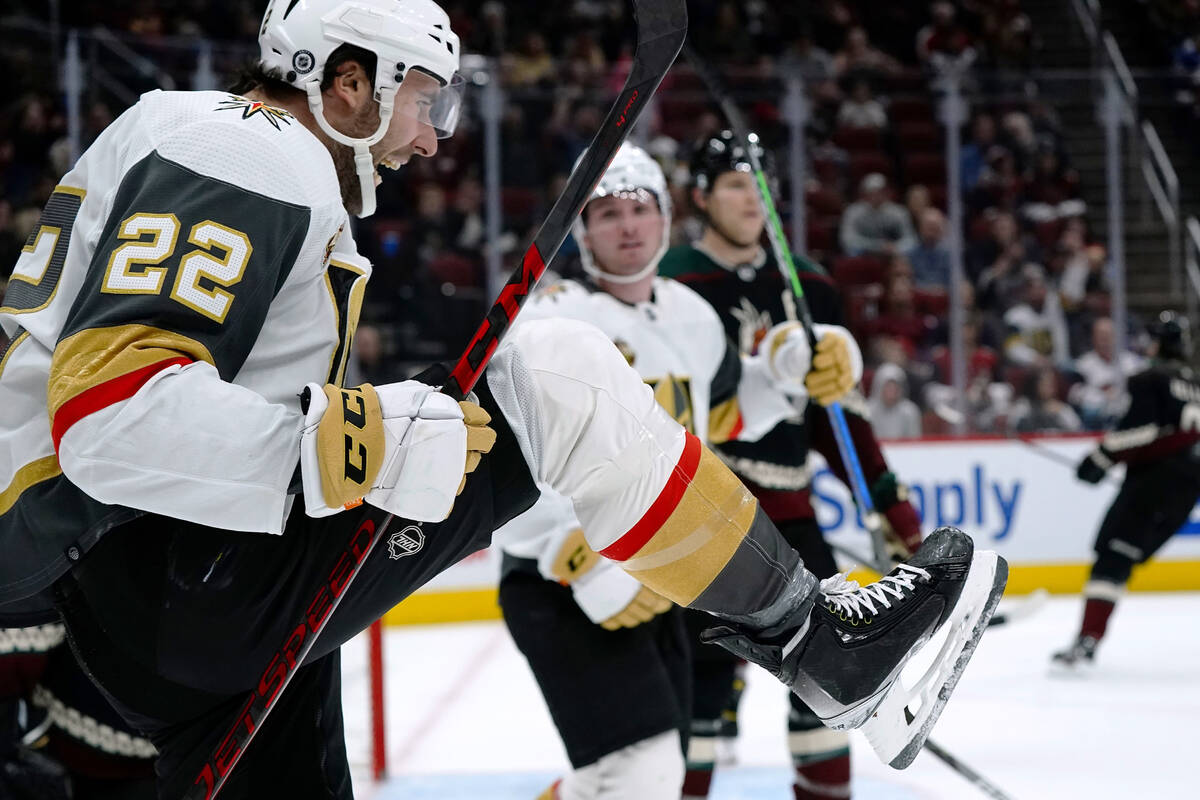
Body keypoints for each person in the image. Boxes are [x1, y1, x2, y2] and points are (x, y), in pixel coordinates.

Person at [0, 3, 1005, 797]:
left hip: (160, 586)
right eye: (425, 102)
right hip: (161, 566)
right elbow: (113, 420)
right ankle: (819, 642)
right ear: (348, 82)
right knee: (552, 372)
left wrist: (786, 365)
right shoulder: (244, 149)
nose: (436, 141)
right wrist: (360, 436)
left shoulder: (228, 151)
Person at [494, 143, 860, 800]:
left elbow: (715, 419)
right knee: (637, 774)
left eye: (640, 207)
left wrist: (781, 373)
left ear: (666, 218)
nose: (627, 225)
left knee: (648, 775)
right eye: (606, 213)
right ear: (581, 229)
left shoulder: (691, 316)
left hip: (657, 572)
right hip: (561, 582)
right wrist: (567, 552)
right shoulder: (548, 320)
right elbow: (509, 461)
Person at [659, 131, 932, 800]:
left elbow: (838, 416)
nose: (752, 199)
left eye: (760, 185)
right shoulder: (673, 283)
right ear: (701, 197)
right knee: (698, 697)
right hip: (704, 518)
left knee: (824, 690)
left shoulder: (808, 285)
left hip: (792, 520)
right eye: (733, 185)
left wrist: (888, 503)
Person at [1054, 312, 1200, 667]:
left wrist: (1098, 461)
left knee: (1112, 556)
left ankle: (1088, 639)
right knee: (1123, 557)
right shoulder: (1196, 383)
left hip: (1153, 484)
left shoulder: (1150, 379)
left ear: (1158, 344)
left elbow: (1139, 432)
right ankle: (1089, 638)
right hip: (1187, 489)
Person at [839, 173, 917, 257]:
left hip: (893, 255)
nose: (876, 196)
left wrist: (896, 247)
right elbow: (847, 239)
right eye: (871, 192)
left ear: (887, 192)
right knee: (852, 251)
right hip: (865, 255)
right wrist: (878, 246)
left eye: (880, 192)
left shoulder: (899, 212)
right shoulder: (852, 211)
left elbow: (911, 240)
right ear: (864, 194)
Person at [868, 363, 922, 439]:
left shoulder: (910, 411)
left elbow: (914, 441)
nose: (892, 391)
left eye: (895, 387)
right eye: (888, 387)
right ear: (879, 387)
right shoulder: (868, 411)